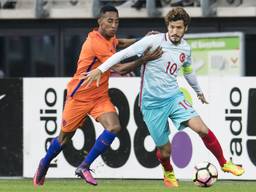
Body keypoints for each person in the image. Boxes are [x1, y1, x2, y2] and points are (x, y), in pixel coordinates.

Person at [82, 7, 245, 188]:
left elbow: (188, 71)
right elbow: (121, 54)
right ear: (168, 26)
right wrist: (100, 69)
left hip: (174, 97)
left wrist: (198, 91)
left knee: (202, 129)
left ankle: (224, 163)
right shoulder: (153, 41)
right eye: (172, 27)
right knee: (165, 151)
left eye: (179, 28)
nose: (175, 32)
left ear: (185, 29)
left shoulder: (185, 48)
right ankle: (168, 171)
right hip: (152, 104)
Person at [33, 5, 162, 187]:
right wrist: (144, 59)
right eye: (110, 21)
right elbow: (119, 68)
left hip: (99, 97)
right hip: (78, 98)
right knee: (63, 139)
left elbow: (121, 43)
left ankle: (84, 166)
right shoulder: (96, 43)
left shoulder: (108, 38)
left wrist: (142, 40)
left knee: (114, 127)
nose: (114, 25)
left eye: (117, 22)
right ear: (99, 21)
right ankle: (44, 163)